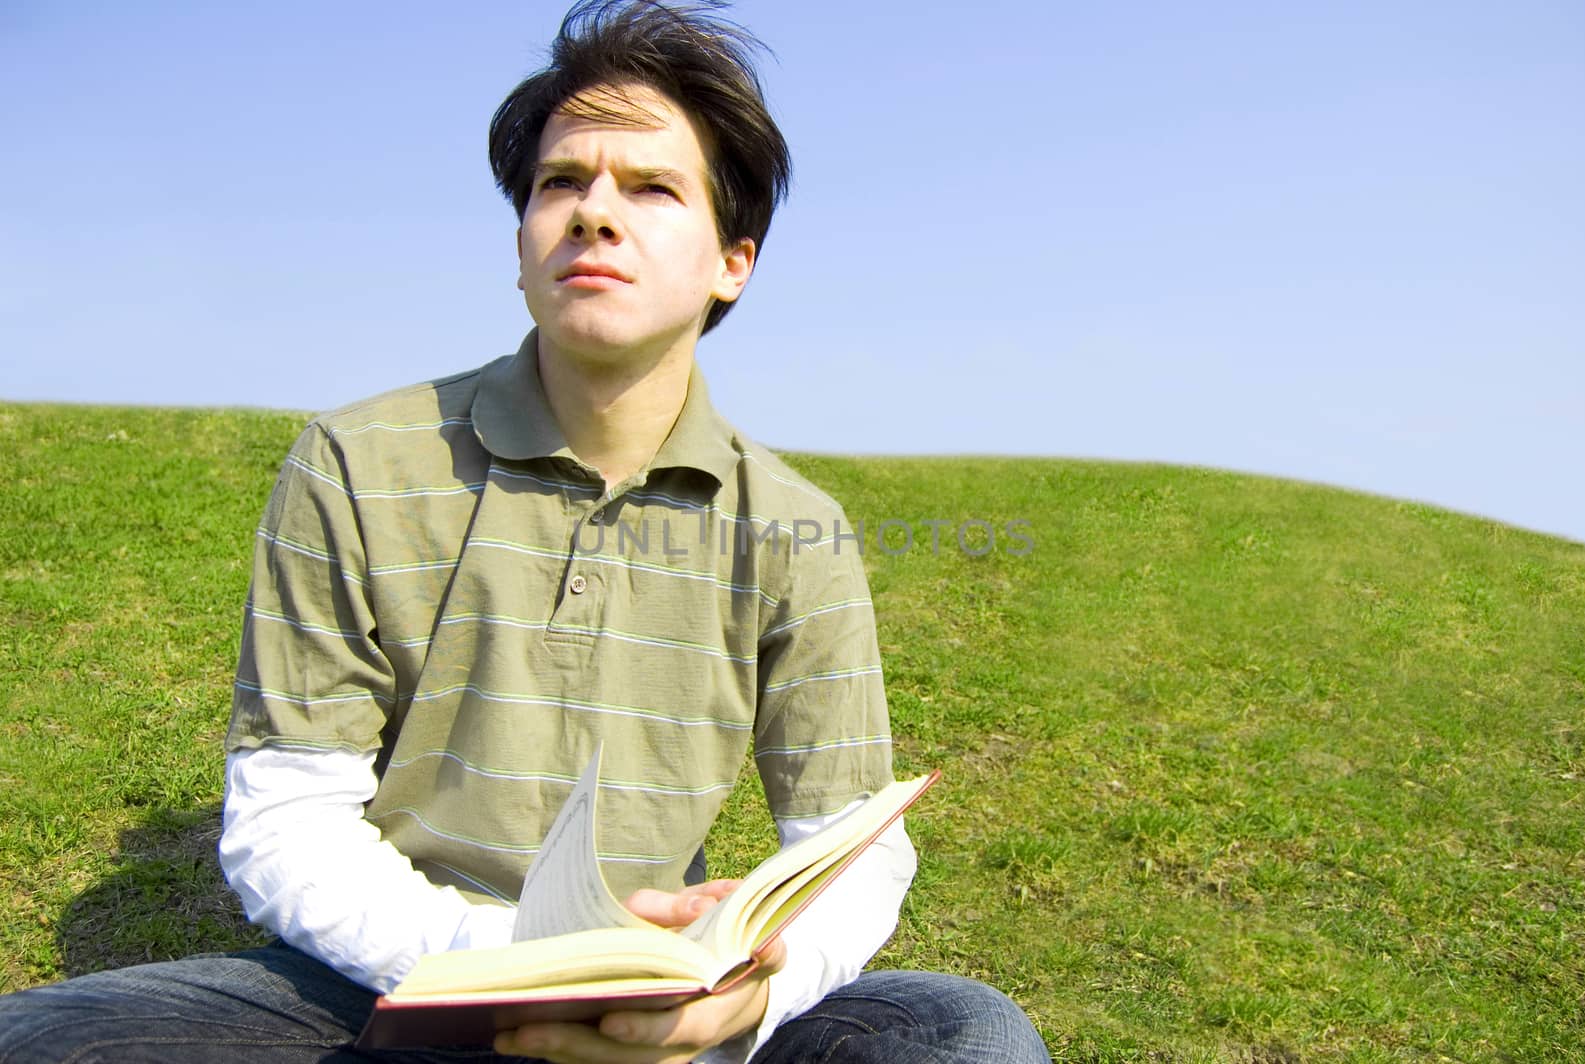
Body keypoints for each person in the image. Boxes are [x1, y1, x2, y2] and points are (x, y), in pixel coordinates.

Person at [0, 3, 1050, 1061]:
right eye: (562, 182)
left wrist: (736, 1002)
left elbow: (853, 847)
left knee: (965, 1029)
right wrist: (504, 962)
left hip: (660, 1003)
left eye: (651, 187)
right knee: (46, 1037)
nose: (595, 213)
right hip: (387, 989)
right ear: (520, 244)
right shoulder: (356, 461)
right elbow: (289, 817)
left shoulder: (793, 527)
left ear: (734, 260)